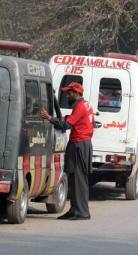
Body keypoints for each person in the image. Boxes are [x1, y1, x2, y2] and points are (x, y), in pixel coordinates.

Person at [41, 82, 94, 220]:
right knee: (73, 178)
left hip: (80, 145)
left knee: (79, 179)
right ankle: (74, 209)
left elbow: (67, 125)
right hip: (80, 144)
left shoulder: (80, 107)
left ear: (76, 93)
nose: (67, 95)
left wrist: (49, 118)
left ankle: (82, 212)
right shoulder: (84, 104)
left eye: (69, 93)